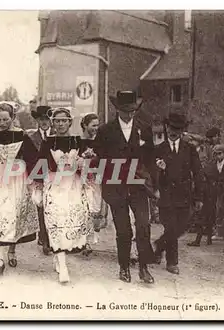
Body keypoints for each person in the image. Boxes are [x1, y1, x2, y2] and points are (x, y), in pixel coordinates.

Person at [93, 90, 157, 284]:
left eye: (133, 110)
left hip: (138, 186)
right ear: (117, 109)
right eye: (125, 111)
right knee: (123, 230)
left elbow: (150, 158)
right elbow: (100, 157)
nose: (129, 115)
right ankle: (124, 267)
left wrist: (153, 184)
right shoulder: (105, 130)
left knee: (144, 225)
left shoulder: (144, 128)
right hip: (116, 186)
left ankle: (144, 268)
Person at [0, 102, 39, 275]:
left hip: (16, 179)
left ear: (13, 118)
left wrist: (35, 179)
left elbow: (33, 158)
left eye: (5, 119)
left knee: (12, 215)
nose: (2, 123)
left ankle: (11, 250)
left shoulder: (21, 136)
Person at [32, 106, 92, 284]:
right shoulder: (48, 142)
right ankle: (62, 264)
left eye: (64, 120)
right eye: (57, 121)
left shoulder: (77, 141)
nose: (60, 124)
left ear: (69, 122)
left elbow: (86, 167)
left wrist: (84, 161)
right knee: (55, 222)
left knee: (69, 223)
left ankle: (60, 258)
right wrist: (39, 185)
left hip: (72, 186)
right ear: (53, 123)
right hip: (54, 186)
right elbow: (40, 165)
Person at [154, 112, 203, 275]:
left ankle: (159, 246)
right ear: (166, 127)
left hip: (184, 196)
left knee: (182, 227)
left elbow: (198, 173)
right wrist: (159, 172)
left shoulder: (189, 149)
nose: (173, 131)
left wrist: (198, 197)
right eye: (171, 127)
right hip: (166, 196)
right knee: (171, 227)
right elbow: (153, 176)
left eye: (177, 128)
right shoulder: (158, 150)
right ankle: (172, 262)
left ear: (182, 130)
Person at [188, 144, 224, 246]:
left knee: (223, 212)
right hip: (211, 191)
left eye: (220, 154)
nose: (217, 156)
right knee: (206, 213)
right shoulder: (212, 163)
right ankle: (202, 238)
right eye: (215, 154)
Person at [79, 112, 108, 256]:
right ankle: (86, 242)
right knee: (85, 207)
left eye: (98, 125)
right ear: (85, 125)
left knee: (97, 207)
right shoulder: (79, 142)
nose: (96, 128)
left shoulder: (101, 142)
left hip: (97, 177)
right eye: (93, 125)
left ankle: (93, 235)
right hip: (83, 179)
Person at [28, 105, 53, 255]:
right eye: (41, 119)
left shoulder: (57, 135)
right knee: (41, 207)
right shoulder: (31, 138)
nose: (44, 122)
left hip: (55, 176)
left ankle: (50, 236)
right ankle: (44, 239)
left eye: (46, 118)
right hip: (39, 177)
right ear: (37, 120)